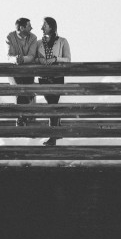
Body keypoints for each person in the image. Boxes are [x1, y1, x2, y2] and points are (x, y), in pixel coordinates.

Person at [35, 16, 71, 146]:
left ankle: (53, 136)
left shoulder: (62, 41)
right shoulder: (38, 43)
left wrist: (56, 59)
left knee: (52, 105)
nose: (41, 28)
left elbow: (68, 59)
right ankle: (57, 130)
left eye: (44, 25)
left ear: (51, 26)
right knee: (51, 105)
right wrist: (40, 60)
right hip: (43, 77)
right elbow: (35, 58)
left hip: (57, 76)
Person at [6, 18, 38, 126]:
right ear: (22, 28)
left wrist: (22, 59)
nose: (31, 28)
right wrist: (15, 59)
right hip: (14, 71)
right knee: (20, 90)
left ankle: (22, 118)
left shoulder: (33, 37)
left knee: (26, 90)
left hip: (28, 71)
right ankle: (23, 118)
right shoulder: (10, 37)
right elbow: (9, 56)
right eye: (29, 26)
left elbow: (32, 55)